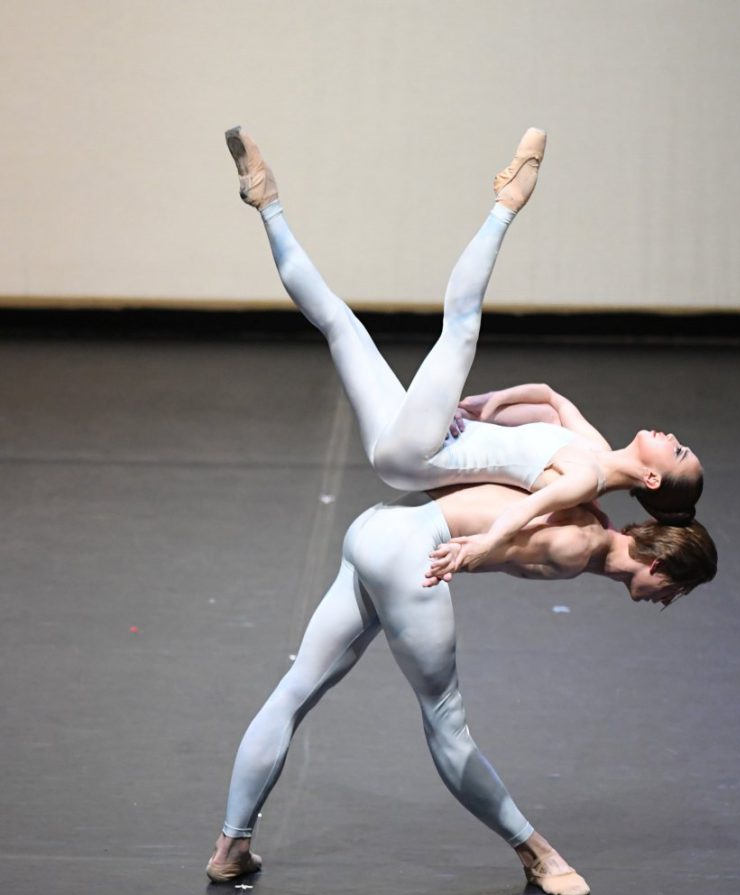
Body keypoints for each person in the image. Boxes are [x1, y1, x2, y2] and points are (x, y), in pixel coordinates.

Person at [224, 127, 704, 580]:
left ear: (652, 478)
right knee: (340, 324)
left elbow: (523, 512)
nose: (673, 437)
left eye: (677, 452)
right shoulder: (595, 448)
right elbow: (549, 398)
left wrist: (482, 547)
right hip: (411, 452)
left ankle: (506, 204)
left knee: (461, 329)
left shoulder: (586, 480)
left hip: (423, 452)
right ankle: (265, 201)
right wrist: (478, 405)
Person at [207, 482, 717, 895]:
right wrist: (467, 557)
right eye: (677, 590)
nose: (668, 602)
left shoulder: (588, 494)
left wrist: (485, 406)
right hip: (411, 549)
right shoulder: (578, 545)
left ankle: (230, 851)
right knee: (445, 721)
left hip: (376, 526)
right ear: (659, 566)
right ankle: (538, 854)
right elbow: (482, 547)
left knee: (294, 691)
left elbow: (554, 408)